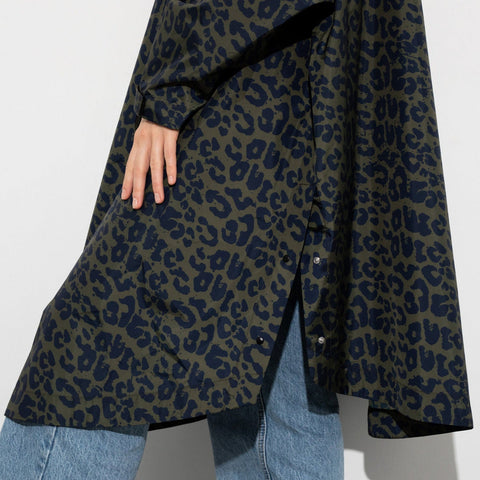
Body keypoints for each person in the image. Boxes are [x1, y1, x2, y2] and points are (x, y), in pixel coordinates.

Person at [0, 0, 474, 479]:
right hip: (292, 92)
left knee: (89, 351)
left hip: (244, 95)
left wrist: (171, 88)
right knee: (277, 383)